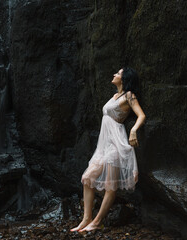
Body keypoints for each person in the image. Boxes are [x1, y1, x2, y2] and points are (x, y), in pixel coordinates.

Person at [71, 67, 146, 232]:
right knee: (87, 178)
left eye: (118, 73)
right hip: (104, 146)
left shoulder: (129, 95)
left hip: (116, 145)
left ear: (125, 78)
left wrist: (133, 130)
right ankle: (86, 219)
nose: (114, 74)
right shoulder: (114, 96)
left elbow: (141, 115)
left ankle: (96, 222)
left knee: (110, 187)